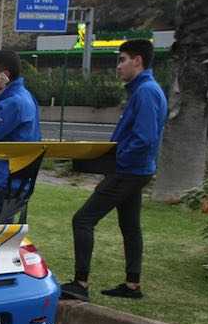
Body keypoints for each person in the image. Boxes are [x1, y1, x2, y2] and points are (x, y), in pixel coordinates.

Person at [61, 39, 168, 302]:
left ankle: (80, 283)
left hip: (129, 170)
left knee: (83, 219)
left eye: (122, 60)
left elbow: (145, 138)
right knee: (130, 226)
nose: (118, 66)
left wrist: (116, 161)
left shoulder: (145, 92)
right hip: (136, 169)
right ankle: (132, 285)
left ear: (138, 61)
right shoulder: (145, 89)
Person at [0, 50, 41, 218]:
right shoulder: (22, 95)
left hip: (5, 183)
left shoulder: (14, 102)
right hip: (8, 180)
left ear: (5, 76)